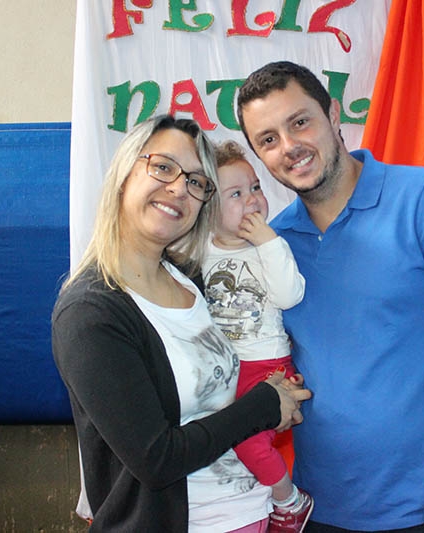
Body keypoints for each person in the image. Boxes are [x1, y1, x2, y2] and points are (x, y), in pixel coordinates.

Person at [236, 62, 424, 533]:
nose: (289, 146)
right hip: (317, 510)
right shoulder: (272, 247)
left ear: (333, 113)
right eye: (268, 139)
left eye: (300, 122)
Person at [52, 115, 312, 532]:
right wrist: (263, 406)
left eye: (195, 181)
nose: (178, 188)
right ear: (124, 174)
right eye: (163, 167)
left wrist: (278, 399)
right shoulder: (90, 314)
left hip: (253, 510)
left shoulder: (188, 276)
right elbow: (156, 459)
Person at [203, 139, 314, 532]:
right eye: (235, 194)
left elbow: (289, 295)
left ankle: (289, 500)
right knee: (224, 439)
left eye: (255, 187)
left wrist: (268, 243)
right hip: (223, 368)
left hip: (267, 364)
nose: (252, 199)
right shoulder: (200, 251)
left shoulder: (269, 247)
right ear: (208, 208)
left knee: (247, 440)